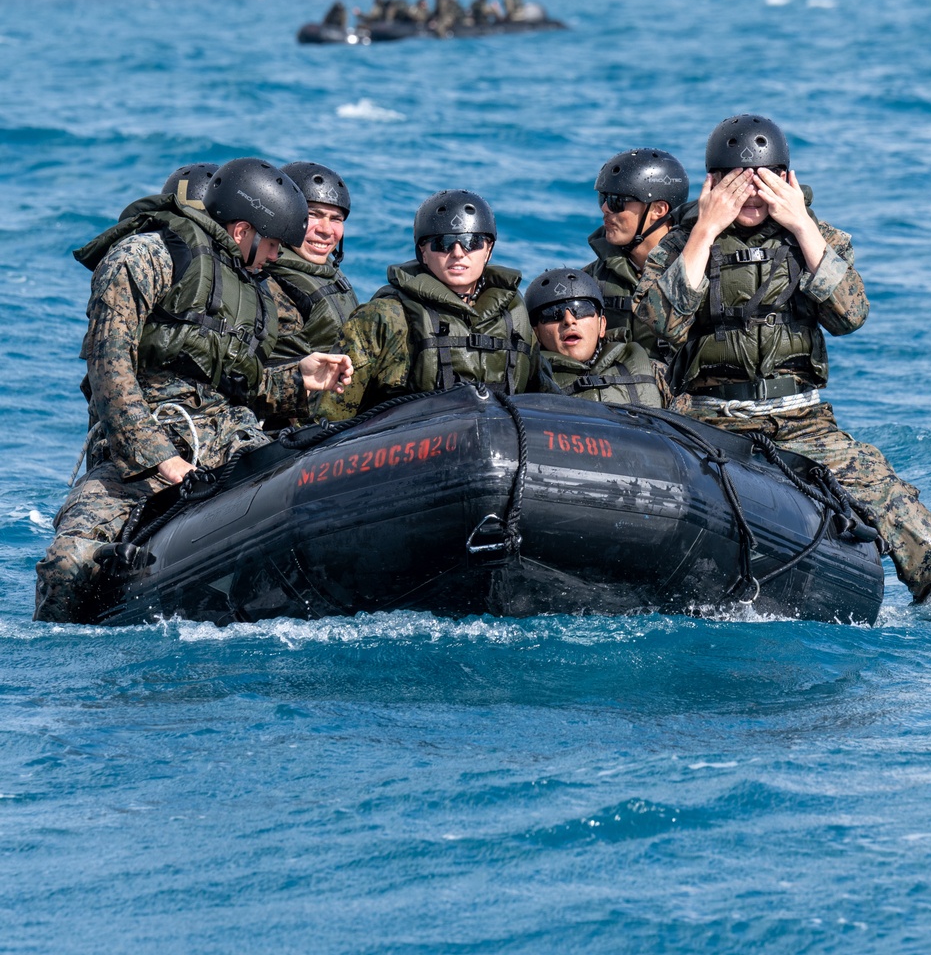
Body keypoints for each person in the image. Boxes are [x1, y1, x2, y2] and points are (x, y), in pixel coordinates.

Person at [632, 113, 931, 605]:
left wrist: (800, 225)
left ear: (787, 179)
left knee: (898, 505)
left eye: (764, 180)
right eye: (737, 182)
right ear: (713, 183)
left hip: (802, 421)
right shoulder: (680, 247)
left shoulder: (818, 239)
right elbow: (655, 334)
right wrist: (704, 231)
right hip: (707, 419)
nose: (751, 194)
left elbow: (850, 316)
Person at [35, 158, 353, 624]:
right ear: (242, 229)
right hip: (136, 456)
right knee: (68, 565)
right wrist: (160, 458)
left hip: (229, 440)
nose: (275, 258)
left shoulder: (251, 287)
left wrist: (298, 378)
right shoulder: (144, 258)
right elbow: (111, 369)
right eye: (270, 245)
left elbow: (244, 383)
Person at [318, 189, 558, 418]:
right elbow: (331, 412)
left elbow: (548, 402)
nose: (458, 253)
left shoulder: (514, 318)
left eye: (471, 242)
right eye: (442, 243)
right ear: (423, 252)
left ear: (488, 250)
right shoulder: (385, 317)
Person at [585, 148, 689, 372]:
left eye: (617, 201)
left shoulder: (697, 271)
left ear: (659, 209)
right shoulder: (590, 280)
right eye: (603, 198)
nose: (605, 208)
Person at [526, 269, 667, 407]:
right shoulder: (525, 381)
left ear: (602, 324)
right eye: (552, 313)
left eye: (581, 309)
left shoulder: (653, 372)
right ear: (536, 332)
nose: (569, 320)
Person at [264, 161, 358, 362]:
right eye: (313, 214)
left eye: (336, 219)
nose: (326, 230)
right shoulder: (267, 284)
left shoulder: (326, 273)